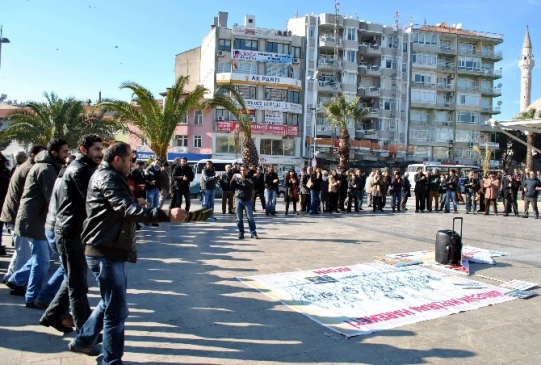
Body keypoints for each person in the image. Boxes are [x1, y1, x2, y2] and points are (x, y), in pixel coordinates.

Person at [68, 142, 187, 361]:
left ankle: (83, 340)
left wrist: (135, 201)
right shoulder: (109, 177)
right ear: (117, 160)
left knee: (108, 302)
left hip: (108, 249)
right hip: (106, 251)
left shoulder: (108, 176)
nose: (132, 163)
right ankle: (111, 360)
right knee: (116, 311)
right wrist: (165, 214)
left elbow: (117, 205)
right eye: (130, 159)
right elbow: (125, 209)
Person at [40, 135, 103, 333]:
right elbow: (94, 201)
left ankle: (52, 315)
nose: (100, 153)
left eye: (101, 149)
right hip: (69, 232)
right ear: (84, 150)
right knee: (78, 285)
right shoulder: (80, 170)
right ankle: (86, 334)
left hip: (75, 231)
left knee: (73, 280)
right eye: (96, 149)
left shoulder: (86, 168)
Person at [5, 139, 69, 306]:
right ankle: (32, 297)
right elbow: (53, 199)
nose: (67, 155)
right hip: (35, 221)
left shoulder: (47, 166)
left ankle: (17, 280)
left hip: (37, 219)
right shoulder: (46, 169)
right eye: (64, 151)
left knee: (43, 256)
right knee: (43, 261)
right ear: (53, 152)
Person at [1, 145, 47, 285]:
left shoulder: (28, 167)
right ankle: (17, 282)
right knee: (24, 253)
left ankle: (10, 277)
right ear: (33, 155)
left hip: (16, 215)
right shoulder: (30, 169)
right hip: (18, 215)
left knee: (21, 251)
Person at [231, 165, 258, 239]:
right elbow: (232, 186)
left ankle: (253, 232)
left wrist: (244, 180)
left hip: (247, 200)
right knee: (239, 219)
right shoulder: (237, 177)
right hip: (238, 199)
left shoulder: (251, 178)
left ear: (248, 170)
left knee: (250, 218)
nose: (242, 172)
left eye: (244, 170)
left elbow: (252, 186)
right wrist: (233, 180)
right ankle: (241, 232)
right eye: (241, 170)